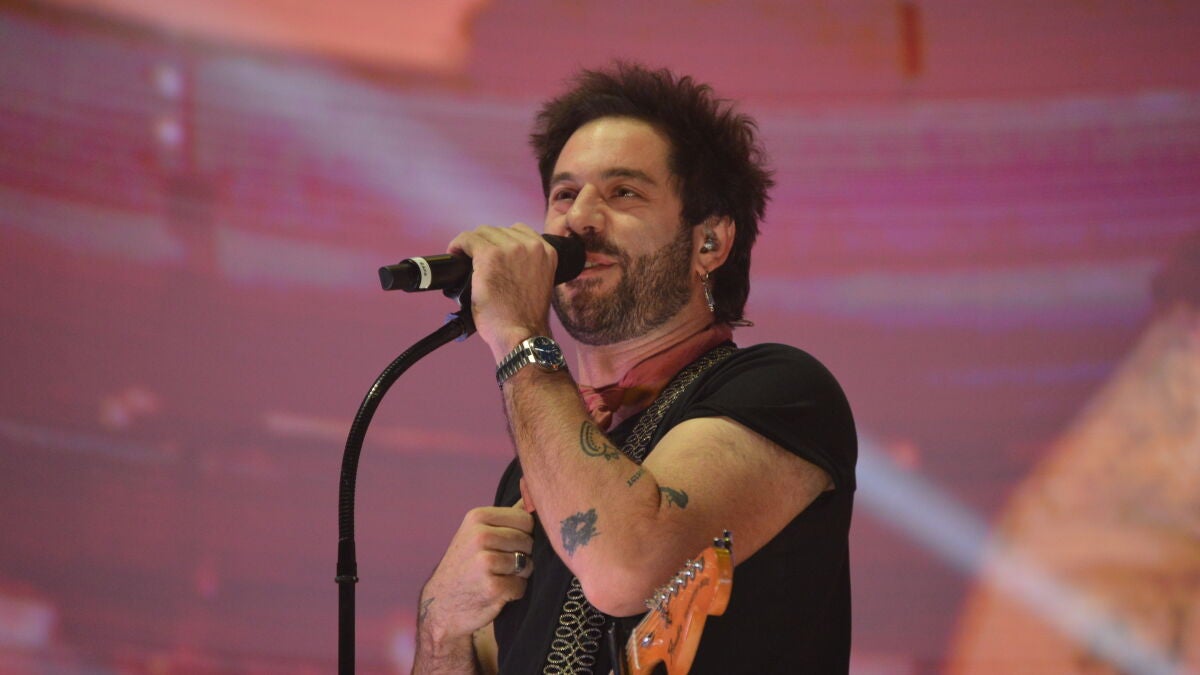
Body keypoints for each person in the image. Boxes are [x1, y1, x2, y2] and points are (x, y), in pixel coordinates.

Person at [412, 62, 857, 674]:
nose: (579, 219)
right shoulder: (537, 472)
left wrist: (518, 333)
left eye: (623, 192)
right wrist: (441, 628)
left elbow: (625, 568)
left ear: (709, 242)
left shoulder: (780, 390)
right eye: (564, 194)